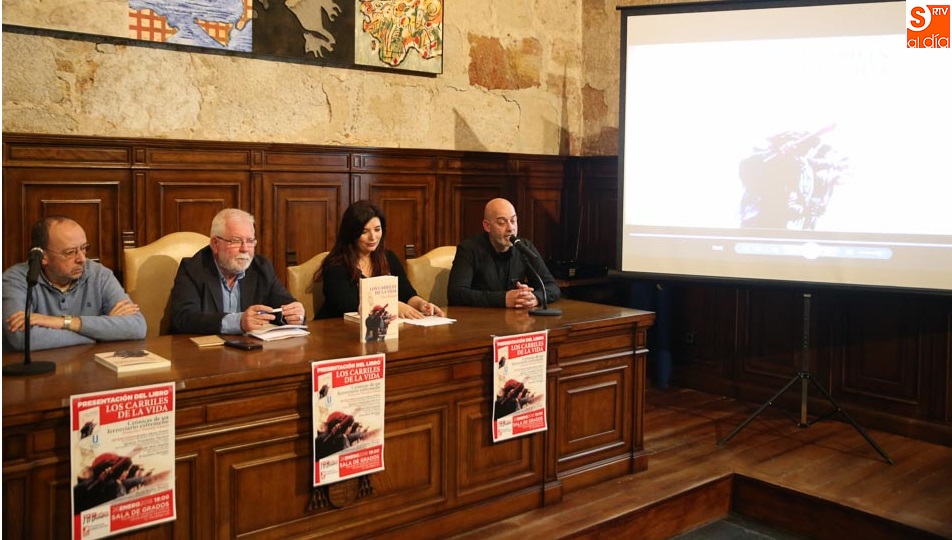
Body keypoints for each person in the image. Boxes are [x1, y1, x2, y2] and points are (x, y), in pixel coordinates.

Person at [2, 217, 147, 352]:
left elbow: (137, 327)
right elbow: (21, 338)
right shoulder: (16, 280)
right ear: (43, 256)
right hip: (36, 374)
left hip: (90, 373)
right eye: (70, 252)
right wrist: (101, 334)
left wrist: (64, 322)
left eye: (84, 248)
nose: (82, 259)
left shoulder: (99, 275)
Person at [168, 208, 306, 335]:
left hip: (250, 354)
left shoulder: (261, 267)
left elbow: (284, 304)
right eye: (236, 241)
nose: (245, 249)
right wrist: (237, 322)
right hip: (204, 355)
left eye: (250, 241)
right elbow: (183, 317)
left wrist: (296, 314)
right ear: (215, 244)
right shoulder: (193, 269)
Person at [312, 200, 445, 320]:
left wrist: (421, 304)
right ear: (352, 234)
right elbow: (348, 305)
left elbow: (407, 293)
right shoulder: (336, 264)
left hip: (378, 331)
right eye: (365, 232)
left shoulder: (388, 258)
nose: (373, 237)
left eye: (377, 229)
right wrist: (392, 306)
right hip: (338, 331)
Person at [447, 198, 560, 308]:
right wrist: (503, 299)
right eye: (502, 222)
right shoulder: (469, 249)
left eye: (513, 221)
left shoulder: (524, 247)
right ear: (487, 226)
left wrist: (533, 298)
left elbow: (552, 287)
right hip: (479, 321)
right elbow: (456, 294)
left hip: (515, 321)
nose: (510, 228)